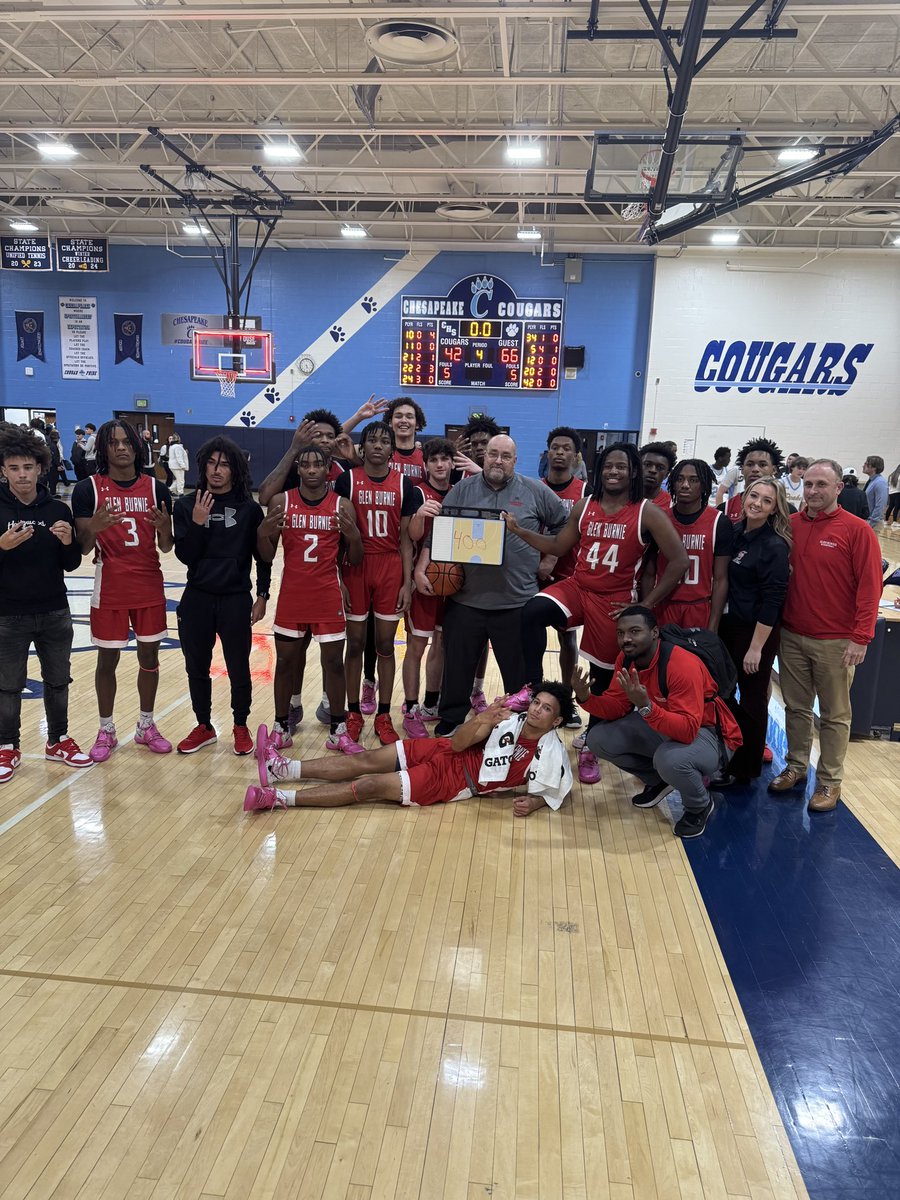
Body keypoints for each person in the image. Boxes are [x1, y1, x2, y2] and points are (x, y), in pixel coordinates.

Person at [507, 442, 688, 783]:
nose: (614, 472)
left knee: (602, 679)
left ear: (632, 471)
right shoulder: (585, 504)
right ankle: (531, 687)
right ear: (599, 470)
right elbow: (559, 546)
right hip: (578, 587)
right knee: (532, 611)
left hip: (615, 599)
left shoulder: (646, 511)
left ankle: (591, 744)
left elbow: (679, 560)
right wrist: (521, 532)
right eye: (608, 466)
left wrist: (645, 606)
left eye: (621, 466)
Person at [417, 435, 569, 738]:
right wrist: (425, 566)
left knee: (518, 673)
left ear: (515, 460)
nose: (498, 460)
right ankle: (451, 717)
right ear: (483, 456)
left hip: (516, 600)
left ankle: (519, 723)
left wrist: (550, 558)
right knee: (458, 667)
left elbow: (564, 523)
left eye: (505, 456)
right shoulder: (462, 489)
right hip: (466, 598)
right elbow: (442, 530)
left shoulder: (534, 491)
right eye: (493, 454)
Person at [244, 682, 574, 818]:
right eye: (536, 702)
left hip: (454, 781)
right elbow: (459, 742)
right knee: (367, 758)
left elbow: (558, 786)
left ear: (556, 719)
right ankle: (282, 768)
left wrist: (535, 802)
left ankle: (276, 799)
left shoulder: (551, 753)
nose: (536, 710)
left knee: (371, 786)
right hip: (446, 749)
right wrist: (485, 718)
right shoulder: (508, 720)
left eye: (546, 709)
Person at [769, 459, 883, 812]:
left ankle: (830, 782)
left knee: (835, 716)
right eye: (809, 484)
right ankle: (797, 767)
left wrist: (861, 636)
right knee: (797, 709)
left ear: (838, 489)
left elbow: (869, 587)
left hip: (836, 641)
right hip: (793, 635)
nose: (814, 491)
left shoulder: (857, 530)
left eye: (822, 485)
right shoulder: (792, 526)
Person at [575, 606, 741, 839]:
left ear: (655, 633)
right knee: (598, 739)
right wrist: (586, 698)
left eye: (634, 631)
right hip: (664, 724)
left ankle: (699, 805)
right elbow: (616, 706)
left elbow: (687, 730)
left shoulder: (682, 665)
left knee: (669, 759)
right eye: (620, 633)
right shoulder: (626, 659)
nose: (626, 639)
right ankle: (658, 781)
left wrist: (646, 707)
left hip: (711, 734)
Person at [71, 419, 175, 761]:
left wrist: (165, 529)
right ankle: (106, 729)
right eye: (113, 442)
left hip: (148, 584)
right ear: (104, 448)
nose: (120, 447)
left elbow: (166, 546)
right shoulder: (88, 489)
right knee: (107, 659)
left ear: (136, 446)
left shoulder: (156, 488)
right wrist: (94, 529)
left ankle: (146, 724)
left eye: (126, 442)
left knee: (149, 658)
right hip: (110, 587)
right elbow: (83, 549)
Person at [0, 427, 92, 782]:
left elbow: (70, 565)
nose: (22, 474)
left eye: (28, 466)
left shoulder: (57, 508)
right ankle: (8, 746)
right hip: (8, 613)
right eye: (14, 467)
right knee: (8, 684)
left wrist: (70, 543)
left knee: (58, 680)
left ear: (40, 468)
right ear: (4, 471)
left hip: (54, 610)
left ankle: (58, 740)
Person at [173, 437, 274, 756]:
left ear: (235, 469)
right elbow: (186, 556)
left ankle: (240, 725)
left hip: (235, 598)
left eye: (225, 464)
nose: (217, 470)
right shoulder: (186, 505)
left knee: (239, 667)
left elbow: (263, 557)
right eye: (212, 463)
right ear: (203, 466)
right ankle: (204, 725)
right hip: (198, 598)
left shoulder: (249, 509)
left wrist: (262, 594)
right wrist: (199, 525)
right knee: (196, 666)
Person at [263, 443, 364, 754]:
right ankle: (281, 727)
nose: (310, 469)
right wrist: (262, 532)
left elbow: (355, 558)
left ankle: (338, 729)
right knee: (285, 662)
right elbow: (266, 555)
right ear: (298, 468)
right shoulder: (282, 501)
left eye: (317, 464)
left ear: (326, 468)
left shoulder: (342, 506)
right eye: (304, 464)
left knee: (333, 663)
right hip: (293, 595)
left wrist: (355, 536)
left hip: (326, 594)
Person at [333, 421, 417, 745]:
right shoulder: (346, 481)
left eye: (385, 441)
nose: (379, 445)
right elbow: (335, 538)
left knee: (384, 644)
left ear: (392, 449)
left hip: (390, 565)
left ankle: (383, 714)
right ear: (362, 447)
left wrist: (406, 583)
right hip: (356, 565)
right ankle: (353, 712)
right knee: (354, 643)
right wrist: (338, 577)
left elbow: (406, 541)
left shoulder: (404, 485)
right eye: (373, 440)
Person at [717, 479, 791, 784]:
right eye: (754, 496)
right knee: (724, 692)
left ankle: (746, 768)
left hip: (754, 632)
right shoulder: (734, 532)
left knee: (752, 700)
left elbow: (773, 600)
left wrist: (757, 648)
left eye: (766, 501)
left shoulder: (774, 545)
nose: (757, 503)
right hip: (728, 626)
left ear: (775, 509)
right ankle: (729, 753)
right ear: (744, 497)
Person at [403, 437, 454, 737]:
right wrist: (421, 516)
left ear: (451, 464)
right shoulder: (417, 492)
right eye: (433, 460)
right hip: (422, 580)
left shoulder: (460, 492)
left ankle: (431, 703)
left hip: (451, 581)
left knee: (442, 644)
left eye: (444, 459)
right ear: (425, 465)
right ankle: (411, 708)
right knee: (417, 646)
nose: (439, 465)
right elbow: (411, 536)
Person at [647, 458, 733, 631]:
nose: (685, 485)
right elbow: (649, 571)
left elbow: (720, 579)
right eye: (680, 479)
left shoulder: (719, 522)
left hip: (699, 607)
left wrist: (714, 625)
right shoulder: (660, 519)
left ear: (704, 485)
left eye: (693, 480)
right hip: (663, 605)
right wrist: (648, 611)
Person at [539, 427, 590, 703]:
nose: (559, 452)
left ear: (576, 455)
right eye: (555, 447)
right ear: (548, 452)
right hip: (535, 574)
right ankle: (533, 693)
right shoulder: (536, 487)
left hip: (569, 575)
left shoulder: (585, 492)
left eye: (566, 448)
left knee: (567, 640)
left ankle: (567, 699)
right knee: (533, 638)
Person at [718, 437, 784, 521]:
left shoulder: (787, 510)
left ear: (774, 470)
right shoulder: (725, 508)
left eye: (762, 465)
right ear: (741, 469)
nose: (755, 469)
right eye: (750, 464)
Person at [639, 441, 676, 509]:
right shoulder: (622, 498)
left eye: (660, 468)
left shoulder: (672, 505)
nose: (653, 470)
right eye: (647, 465)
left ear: (666, 474)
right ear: (638, 467)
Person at [862, 455, 888, 531]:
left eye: (866, 464)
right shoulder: (871, 481)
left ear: (874, 468)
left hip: (873, 523)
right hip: (867, 521)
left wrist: (871, 522)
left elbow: (881, 504)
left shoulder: (880, 482)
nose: (863, 466)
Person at [886, 463, 900, 529]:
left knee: (890, 507)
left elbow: (888, 485)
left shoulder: (891, 476)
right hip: (898, 493)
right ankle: (895, 522)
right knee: (896, 508)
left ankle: (885, 520)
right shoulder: (899, 476)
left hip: (891, 493)